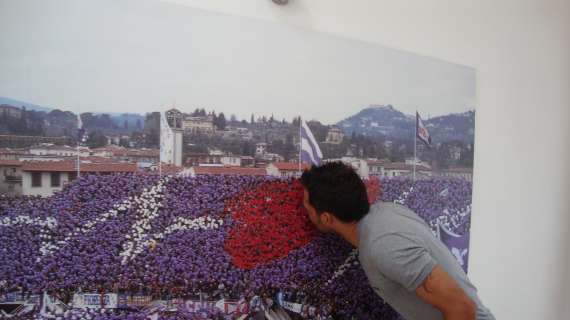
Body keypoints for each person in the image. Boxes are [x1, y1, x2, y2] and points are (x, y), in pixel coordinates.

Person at [300, 162, 495, 320]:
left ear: (326, 218)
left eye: (308, 209)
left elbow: (462, 309)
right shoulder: (384, 215)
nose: (306, 212)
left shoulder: (383, 245)